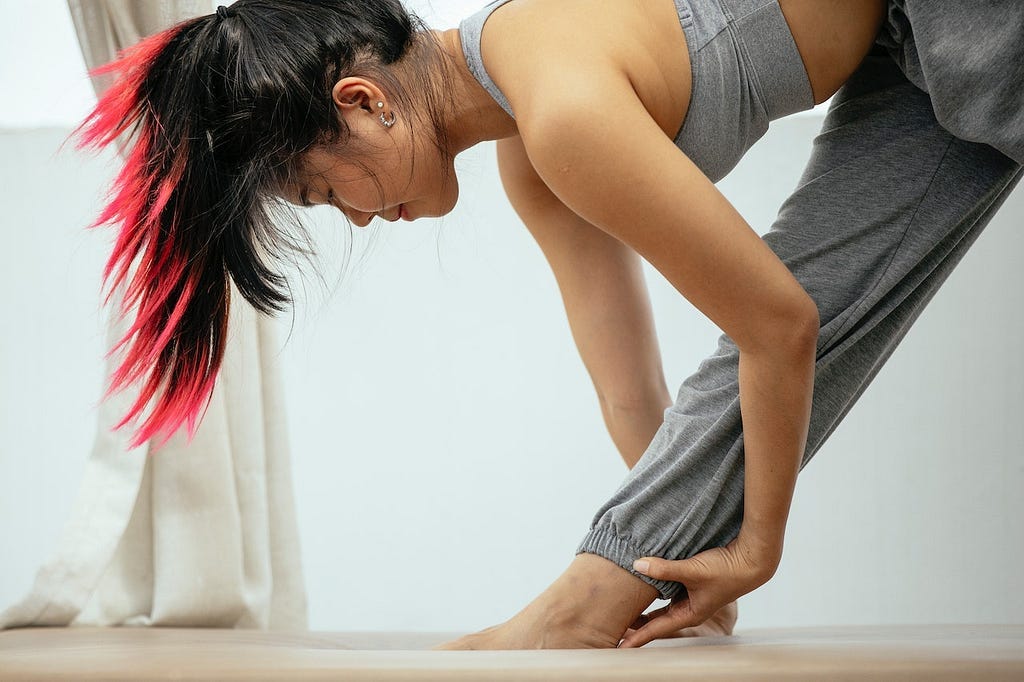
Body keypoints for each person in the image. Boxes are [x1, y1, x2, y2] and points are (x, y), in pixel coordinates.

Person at [71, 0, 1022, 649]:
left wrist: (754, 549)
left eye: (326, 192)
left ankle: (588, 599)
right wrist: (675, 562)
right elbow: (629, 388)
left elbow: (780, 326)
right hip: (899, 51)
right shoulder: (530, 150)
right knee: (800, 313)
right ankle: (602, 585)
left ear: (362, 102)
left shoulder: (564, 113)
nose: (356, 220)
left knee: (775, 321)